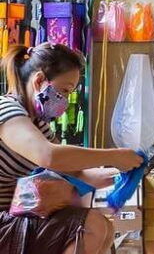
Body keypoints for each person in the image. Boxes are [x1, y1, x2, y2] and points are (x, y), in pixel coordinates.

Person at [0, 43, 142, 254]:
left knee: (105, 229)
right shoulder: (6, 110)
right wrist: (116, 155)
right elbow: (48, 156)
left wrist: (124, 170)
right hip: (6, 221)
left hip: (10, 219)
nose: (65, 100)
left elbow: (76, 174)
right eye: (64, 90)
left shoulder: (39, 127)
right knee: (91, 225)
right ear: (39, 80)